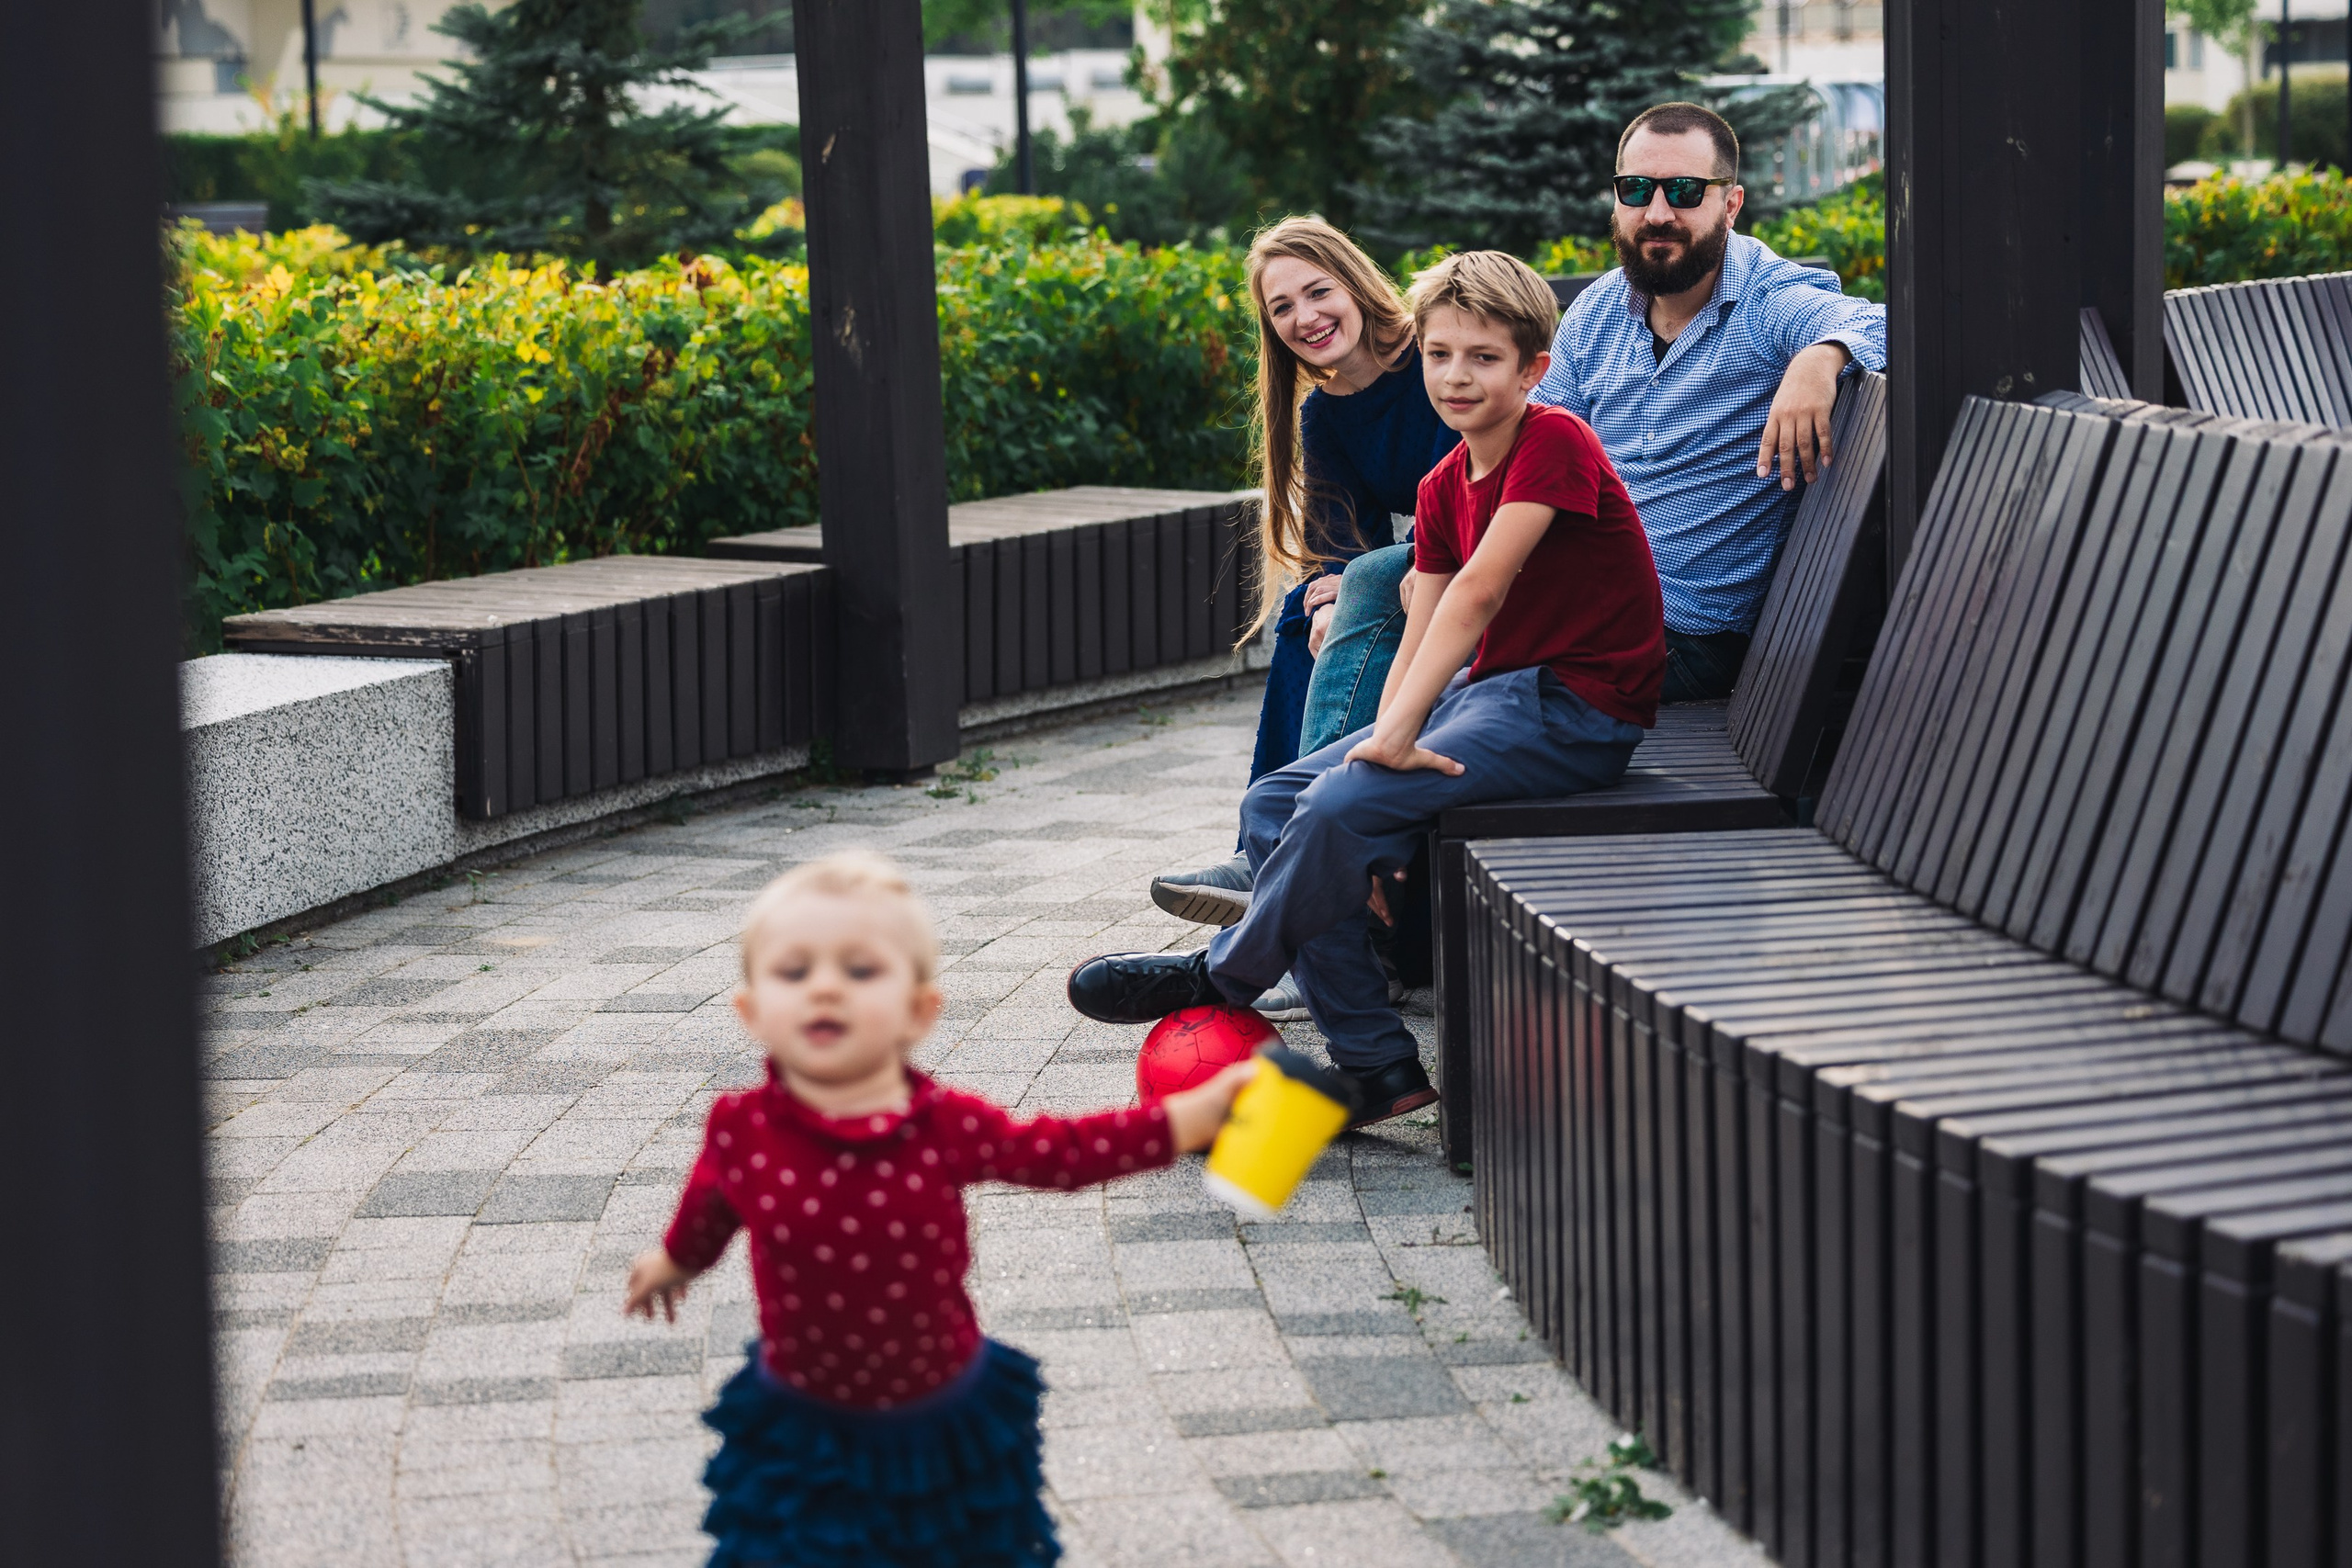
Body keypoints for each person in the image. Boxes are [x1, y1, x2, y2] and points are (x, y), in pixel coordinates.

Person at [1066, 251, 1665, 1129]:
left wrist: (1392, 745)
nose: (1456, 376)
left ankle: (1225, 971)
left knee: (1341, 806)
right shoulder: (1438, 486)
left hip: (1575, 707)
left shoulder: (1554, 442)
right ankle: (1379, 1065)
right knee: (1279, 801)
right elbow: (1423, 618)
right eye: (1440, 354)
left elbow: (1478, 591)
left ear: (1533, 369)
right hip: (1494, 698)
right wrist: (1388, 730)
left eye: (1484, 358)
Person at [624, 853, 1250, 1568]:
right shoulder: (741, 1128)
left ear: (919, 1009)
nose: (825, 987)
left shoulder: (942, 1124)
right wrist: (674, 1260)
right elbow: (709, 1207)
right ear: (753, 1009)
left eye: (861, 971)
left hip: (938, 1420)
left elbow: (1061, 1153)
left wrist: (1180, 1121)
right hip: (804, 1428)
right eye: (794, 971)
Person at [1149, 216, 1459, 1014]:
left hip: (1475, 565)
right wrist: (1330, 587)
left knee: (1357, 592)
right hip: (1413, 577)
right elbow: (1334, 533)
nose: (1305, 317)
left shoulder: (1434, 353)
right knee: (1302, 617)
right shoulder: (1324, 411)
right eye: (1282, 308)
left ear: (1355, 282)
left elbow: (1479, 482)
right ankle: (1282, 856)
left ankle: (1282, 849)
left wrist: (1358, 581)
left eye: (1317, 291)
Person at [1535, 100, 1887, 702]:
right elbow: (1534, 448)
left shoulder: (1766, 302)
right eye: (1637, 188)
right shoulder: (1597, 312)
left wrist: (1822, 355)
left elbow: (1884, 324)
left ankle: (1331, 788)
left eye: (1685, 191)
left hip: (1689, 636)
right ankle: (1324, 788)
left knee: (1449, 670)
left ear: (1731, 204)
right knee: (1373, 590)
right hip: (1584, 597)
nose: (1658, 212)